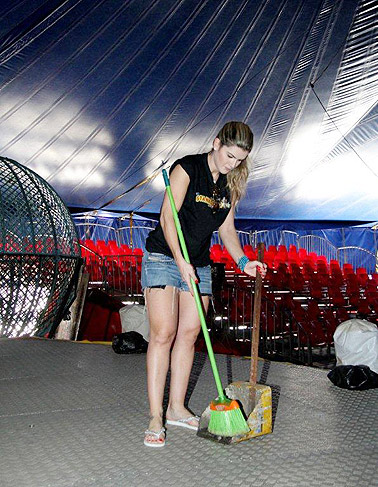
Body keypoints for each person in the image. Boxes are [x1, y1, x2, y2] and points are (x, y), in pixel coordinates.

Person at [141, 121, 267, 447]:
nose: (232, 164)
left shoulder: (230, 184)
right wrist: (179, 260)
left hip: (199, 264)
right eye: (229, 155)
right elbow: (168, 217)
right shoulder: (187, 168)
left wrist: (243, 262)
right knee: (163, 332)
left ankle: (176, 409)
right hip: (164, 257)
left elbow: (227, 231)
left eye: (239, 160)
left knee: (188, 334)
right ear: (216, 143)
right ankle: (156, 416)